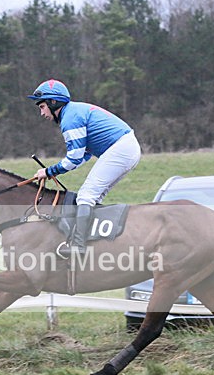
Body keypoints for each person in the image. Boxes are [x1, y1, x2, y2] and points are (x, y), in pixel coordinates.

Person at [28, 79, 141, 259]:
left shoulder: (70, 119)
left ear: (53, 102)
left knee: (86, 196)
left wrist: (48, 172)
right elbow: (83, 156)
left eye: (42, 107)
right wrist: (53, 171)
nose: (41, 113)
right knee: (92, 197)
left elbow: (73, 159)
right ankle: (97, 242)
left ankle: (78, 246)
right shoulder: (73, 112)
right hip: (126, 147)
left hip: (122, 149)